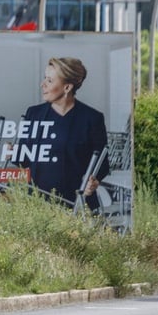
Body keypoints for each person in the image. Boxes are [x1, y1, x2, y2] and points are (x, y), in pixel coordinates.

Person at [19, 57, 110, 212]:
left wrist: (93, 181)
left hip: (77, 205)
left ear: (67, 87)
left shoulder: (92, 118)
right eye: (45, 78)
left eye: (49, 81)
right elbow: (23, 160)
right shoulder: (33, 114)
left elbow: (102, 165)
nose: (42, 84)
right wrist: (12, 152)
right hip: (38, 203)